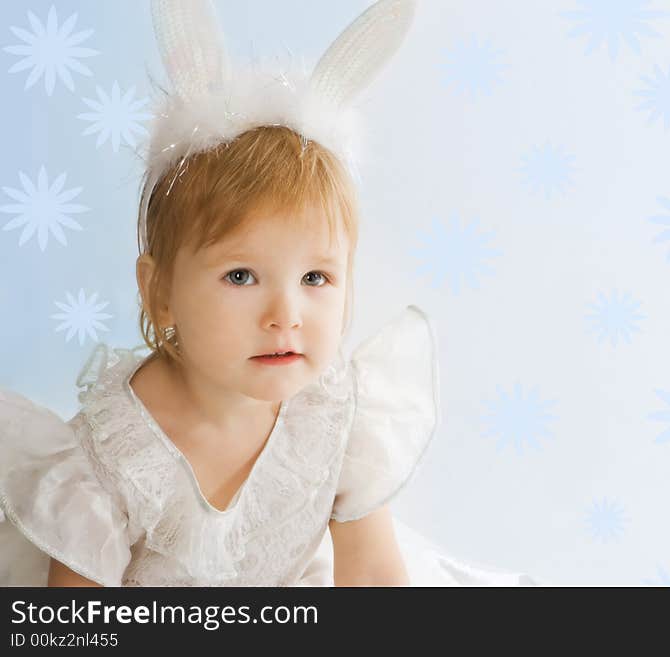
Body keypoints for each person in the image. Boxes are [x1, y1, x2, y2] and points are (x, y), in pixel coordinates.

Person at [0, 0, 541, 587]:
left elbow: (374, 577)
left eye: (315, 279)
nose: (286, 316)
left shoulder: (336, 418)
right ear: (159, 293)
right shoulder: (112, 456)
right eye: (240, 277)